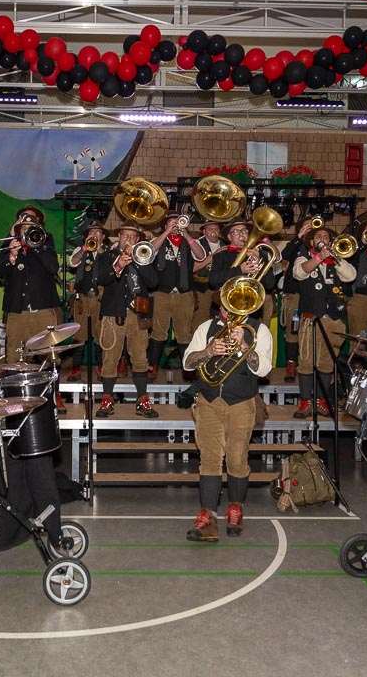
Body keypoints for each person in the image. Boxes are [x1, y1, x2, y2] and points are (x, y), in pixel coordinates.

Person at [183, 305, 273, 541]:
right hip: (208, 400)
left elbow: (264, 369)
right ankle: (208, 517)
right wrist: (208, 350)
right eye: (227, 299)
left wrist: (245, 346)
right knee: (209, 459)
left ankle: (235, 508)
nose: (231, 305)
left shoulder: (258, 330)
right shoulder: (207, 327)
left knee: (237, 458)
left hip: (241, 402)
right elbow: (188, 363)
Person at [95, 223, 160, 419]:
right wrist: (118, 265)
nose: (128, 240)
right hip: (113, 313)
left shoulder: (145, 257)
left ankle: (142, 400)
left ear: (138, 240)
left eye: (132, 237)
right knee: (110, 358)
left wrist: (139, 262)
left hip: (137, 314)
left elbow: (153, 282)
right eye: (125, 236)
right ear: (119, 237)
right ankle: (107, 400)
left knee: (140, 358)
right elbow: (100, 279)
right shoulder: (106, 256)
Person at [292, 225, 355, 418]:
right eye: (318, 236)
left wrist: (336, 258)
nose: (322, 239)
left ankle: (321, 401)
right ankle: (305, 402)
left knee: (327, 362)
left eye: (326, 237)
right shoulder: (303, 258)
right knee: (306, 360)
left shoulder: (336, 261)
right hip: (311, 318)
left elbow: (351, 275)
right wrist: (319, 257)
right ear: (312, 241)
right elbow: (299, 273)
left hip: (334, 318)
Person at [0, 207, 61, 363]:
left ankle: (50, 379)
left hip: (43, 308)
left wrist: (36, 246)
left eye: (31, 228)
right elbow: (1, 271)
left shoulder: (45, 245)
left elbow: (53, 268)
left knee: (49, 354)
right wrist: (12, 255)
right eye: (24, 228)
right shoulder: (11, 245)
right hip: (17, 309)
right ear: (19, 231)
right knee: (15, 353)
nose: (27, 231)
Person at [146, 213, 207, 379]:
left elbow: (201, 256)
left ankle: (188, 369)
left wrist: (185, 234)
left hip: (184, 294)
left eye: (177, 222)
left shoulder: (189, 241)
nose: (174, 226)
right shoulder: (159, 240)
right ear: (165, 225)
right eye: (171, 223)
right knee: (158, 332)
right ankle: (153, 367)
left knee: (184, 334)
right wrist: (166, 233)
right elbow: (149, 252)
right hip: (162, 293)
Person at [208, 220, 279, 320]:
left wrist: (259, 262)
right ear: (229, 237)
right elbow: (213, 279)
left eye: (244, 231)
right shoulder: (221, 255)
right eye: (236, 231)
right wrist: (240, 270)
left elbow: (270, 284)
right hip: (226, 307)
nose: (241, 234)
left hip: (252, 308)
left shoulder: (259, 254)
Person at [67, 222, 108, 382]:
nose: (94, 235)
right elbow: (72, 262)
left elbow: (111, 265)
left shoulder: (108, 251)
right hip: (82, 299)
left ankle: (101, 368)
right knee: (79, 335)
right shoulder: (81, 249)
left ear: (103, 236)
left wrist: (99, 249)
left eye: (98, 233)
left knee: (101, 334)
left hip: (100, 299)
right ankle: (76, 369)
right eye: (91, 232)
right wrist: (85, 248)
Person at [278, 218, 315, 382]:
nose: (310, 228)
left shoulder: (319, 243)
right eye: (307, 226)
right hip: (294, 293)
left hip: (314, 294)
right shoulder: (297, 243)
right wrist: (300, 236)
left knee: (310, 332)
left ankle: (307, 366)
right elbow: (284, 255)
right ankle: (291, 365)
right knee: (293, 331)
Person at [190, 221, 225, 332]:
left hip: (220, 287)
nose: (214, 231)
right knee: (200, 318)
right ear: (204, 232)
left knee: (222, 319)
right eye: (210, 229)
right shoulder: (197, 244)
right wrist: (213, 256)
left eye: (216, 229)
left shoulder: (226, 245)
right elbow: (193, 268)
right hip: (201, 287)